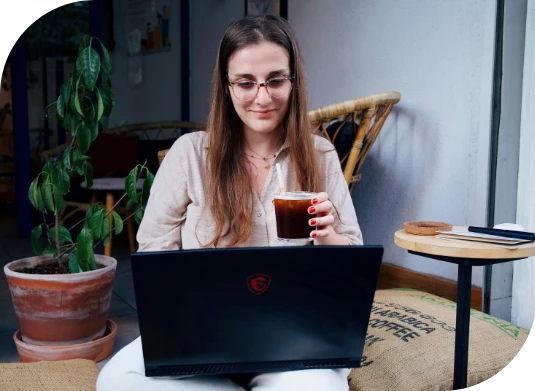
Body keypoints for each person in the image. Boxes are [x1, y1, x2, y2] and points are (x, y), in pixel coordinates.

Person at [96, 14, 363, 391]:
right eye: (246, 83)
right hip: (200, 338)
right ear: (226, 86)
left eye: (275, 80)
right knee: (116, 380)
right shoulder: (189, 154)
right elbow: (155, 256)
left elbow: (352, 264)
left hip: (295, 338)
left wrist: (328, 233)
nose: (263, 97)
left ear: (293, 81)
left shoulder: (319, 155)